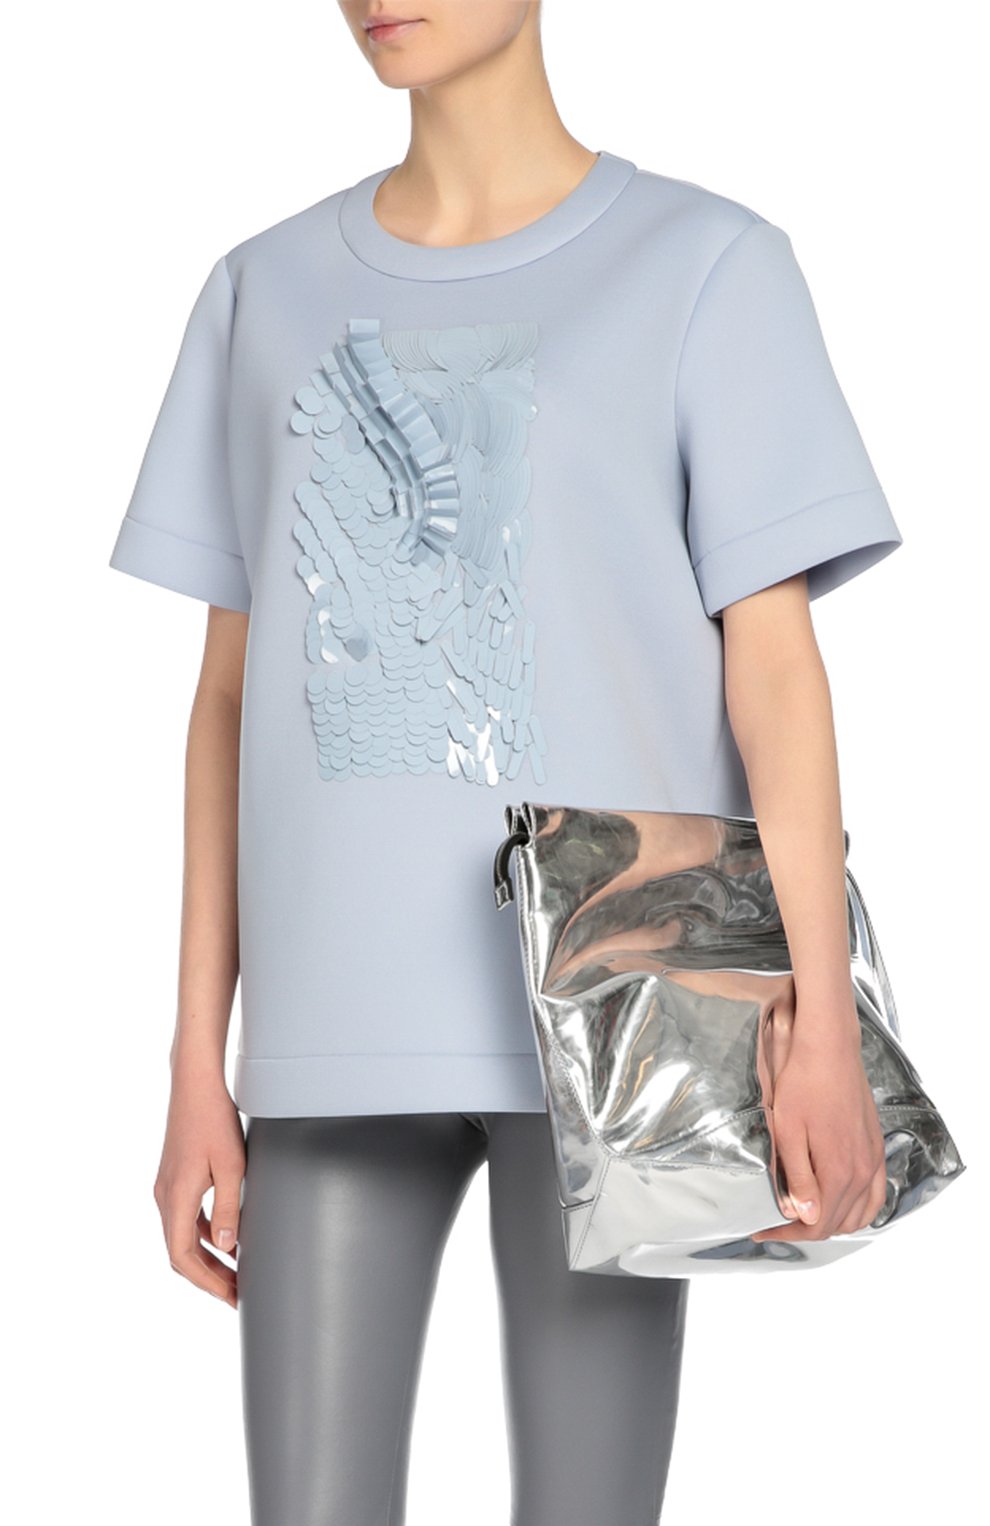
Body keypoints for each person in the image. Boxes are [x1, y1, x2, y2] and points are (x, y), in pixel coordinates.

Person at [107, 3, 903, 1521]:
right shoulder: (260, 290)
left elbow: (777, 673)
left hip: (618, 1012)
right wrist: (194, 1065)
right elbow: (224, 700)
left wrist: (821, 1021)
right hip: (334, 1029)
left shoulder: (706, 267)